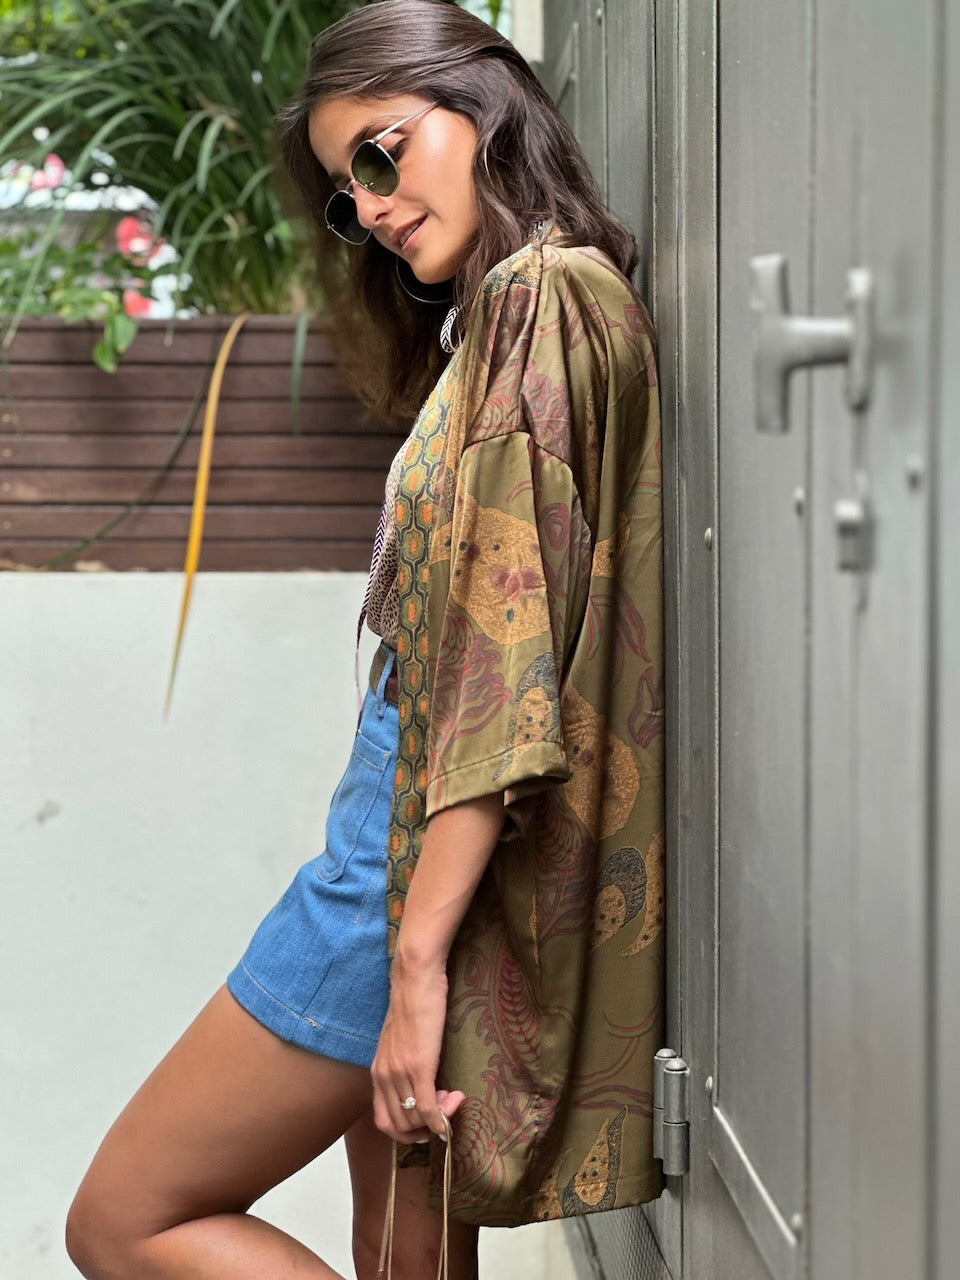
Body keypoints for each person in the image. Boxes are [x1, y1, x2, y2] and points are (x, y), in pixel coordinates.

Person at [65, 2, 665, 1277]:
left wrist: (415, 957)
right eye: (350, 191)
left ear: (484, 102)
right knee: (407, 1264)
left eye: (383, 154)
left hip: (400, 877)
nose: (376, 208)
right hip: (416, 848)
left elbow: (502, 669)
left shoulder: (541, 297)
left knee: (123, 1219)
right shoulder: (513, 309)